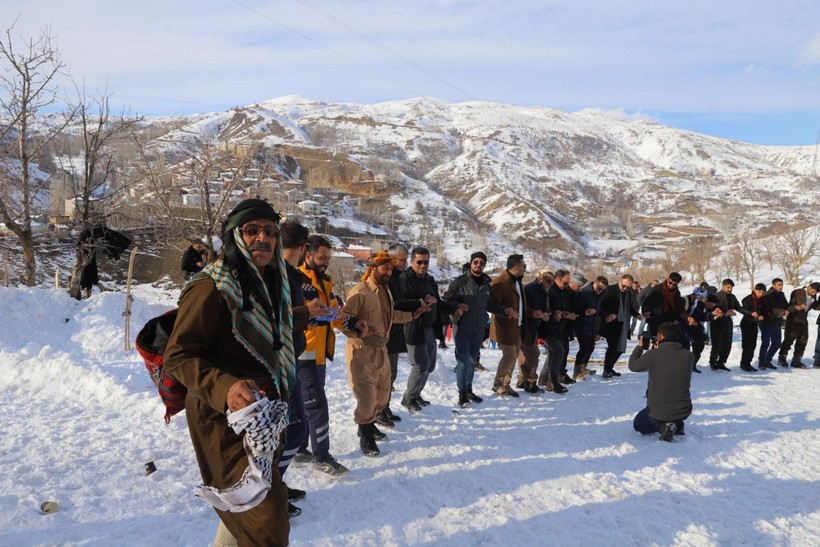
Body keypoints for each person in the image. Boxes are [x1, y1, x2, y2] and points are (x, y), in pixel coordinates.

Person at [164, 198, 298, 546]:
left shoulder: (271, 284)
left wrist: (307, 314)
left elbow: (269, 329)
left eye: (270, 231)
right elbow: (178, 355)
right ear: (235, 237)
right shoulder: (211, 287)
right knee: (266, 522)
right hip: (223, 420)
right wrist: (225, 387)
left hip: (265, 417)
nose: (263, 238)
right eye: (252, 230)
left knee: (251, 506)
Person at [341, 252, 429, 456]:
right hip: (361, 350)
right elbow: (343, 320)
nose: (389, 272)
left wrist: (413, 314)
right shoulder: (359, 292)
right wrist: (358, 327)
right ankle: (366, 435)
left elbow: (392, 317)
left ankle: (369, 423)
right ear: (372, 267)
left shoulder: (386, 291)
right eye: (385, 268)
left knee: (382, 394)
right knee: (367, 396)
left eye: (391, 269)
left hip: (382, 348)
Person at [277, 221, 333, 516]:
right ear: (304, 250)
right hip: (285, 363)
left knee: (294, 431)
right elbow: (272, 318)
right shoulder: (281, 275)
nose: (325, 262)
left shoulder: (292, 276)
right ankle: (267, 493)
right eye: (320, 256)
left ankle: (275, 486)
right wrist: (307, 313)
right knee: (293, 430)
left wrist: (314, 315)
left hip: (295, 357)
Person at [294, 235, 348, 476]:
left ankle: (299, 448)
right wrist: (322, 314)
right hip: (304, 354)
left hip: (318, 355)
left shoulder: (325, 281)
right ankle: (322, 457)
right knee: (317, 408)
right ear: (308, 255)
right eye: (322, 257)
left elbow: (334, 315)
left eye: (328, 258)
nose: (326, 262)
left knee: (307, 405)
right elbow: (304, 314)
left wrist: (342, 315)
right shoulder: (300, 279)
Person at [443, 251, 504, 406]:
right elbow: (447, 300)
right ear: (471, 263)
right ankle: (462, 394)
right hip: (462, 329)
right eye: (476, 262)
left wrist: (505, 311)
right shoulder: (460, 282)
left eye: (482, 263)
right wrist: (457, 305)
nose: (478, 265)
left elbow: (489, 305)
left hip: (478, 331)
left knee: (472, 363)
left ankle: (469, 390)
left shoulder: (486, 285)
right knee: (464, 363)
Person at [398, 247, 451, 411]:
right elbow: (400, 301)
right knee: (420, 365)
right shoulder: (404, 278)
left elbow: (439, 302)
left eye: (426, 262)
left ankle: (416, 394)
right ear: (412, 261)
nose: (422, 265)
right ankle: (408, 398)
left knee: (430, 366)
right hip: (413, 327)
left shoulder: (429, 279)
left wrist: (454, 308)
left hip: (429, 327)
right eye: (419, 262)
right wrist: (421, 301)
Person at [628, 322, 693, 442]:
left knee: (638, 424)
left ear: (659, 336)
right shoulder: (689, 356)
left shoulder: (654, 355)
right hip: (684, 410)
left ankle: (664, 426)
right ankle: (677, 423)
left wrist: (640, 347)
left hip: (659, 412)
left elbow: (633, 366)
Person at [490, 254, 544, 397]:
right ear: (516, 267)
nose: (525, 269)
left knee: (513, 357)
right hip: (504, 327)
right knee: (509, 356)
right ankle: (497, 384)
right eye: (524, 266)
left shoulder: (518, 282)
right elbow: (492, 305)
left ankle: (505, 384)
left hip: (517, 327)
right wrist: (506, 312)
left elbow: (521, 307)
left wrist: (533, 313)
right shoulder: (500, 282)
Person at [380, 243, 417, 426]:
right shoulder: (387, 278)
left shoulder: (398, 277)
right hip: (387, 332)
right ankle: (379, 410)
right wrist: (417, 304)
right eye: (402, 260)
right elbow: (395, 305)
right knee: (385, 376)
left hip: (394, 333)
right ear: (392, 259)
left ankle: (384, 407)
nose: (405, 263)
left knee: (391, 375)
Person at [518, 269, 566, 394]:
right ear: (540, 277)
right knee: (533, 355)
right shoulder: (530, 289)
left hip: (537, 326)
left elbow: (544, 309)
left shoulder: (545, 290)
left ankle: (527, 380)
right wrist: (535, 314)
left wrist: (549, 313)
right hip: (528, 327)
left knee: (529, 355)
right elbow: (523, 307)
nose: (549, 283)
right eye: (547, 280)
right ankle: (532, 382)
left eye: (551, 281)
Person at [599, 274, 640, 379]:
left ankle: (610, 367)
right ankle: (606, 370)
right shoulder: (610, 290)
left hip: (622, 324)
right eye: (624, 286)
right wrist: (607, 315)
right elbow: (600, 305)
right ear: (620, 281)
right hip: (610, 324)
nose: (625, 288)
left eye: (628, 287)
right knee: (613, 347)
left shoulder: (628, 293)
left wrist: (637, 315)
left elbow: (629, 307)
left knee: (620, 348)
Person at [709, 278, 754, 371]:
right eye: (728, 287)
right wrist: (726, 312)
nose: (730, 289)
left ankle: (721, 362)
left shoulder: (732, 297)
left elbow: (739, 308)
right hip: (717, 323)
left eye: (731, 288)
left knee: (727, 344)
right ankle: (712, 362)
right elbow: (712, 308)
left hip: (728, 323)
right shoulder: (716, 296)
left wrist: (750, 313)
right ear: (723, 286)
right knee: (717, 344)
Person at [777, 282, 820, 368]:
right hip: (794, 319)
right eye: (813, 291)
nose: (814, 293)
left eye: (816, 292)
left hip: (804, 319)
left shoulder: (813, 296)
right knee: (789, 338)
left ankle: (796, 361)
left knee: (803, 339)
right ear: (809, 286)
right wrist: (798, 307)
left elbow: (815, 306)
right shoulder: (797, 292)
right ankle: (782, 358)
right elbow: (789, 306)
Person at [572, 275, 607, 381]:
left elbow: (600, 309)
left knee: (591, 347)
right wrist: (585, 311)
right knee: (585, 347)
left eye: (603, 290)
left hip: (592, 325)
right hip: (581, 324)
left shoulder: (599, 294)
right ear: (595, 282)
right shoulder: (584, 293)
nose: (600, 291)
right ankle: (577, 371)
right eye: (599, 288)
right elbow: (575, 307)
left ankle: (583, 367)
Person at [684, 288, 718, 373]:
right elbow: (695, 315)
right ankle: (685, 365)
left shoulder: (704, 307)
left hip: (696, 328)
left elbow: (702, 317)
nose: (710, 307)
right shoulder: (697, 304)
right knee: (686, 347)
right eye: (710, 305)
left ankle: (693, 365)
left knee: (699, 346)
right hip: (687, 327)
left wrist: (713, 316)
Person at [758, 278, 788, 369]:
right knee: (766, 343)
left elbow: (786, 306)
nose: (781, 287)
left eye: (782, 285)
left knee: (777, 343)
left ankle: (768, 360)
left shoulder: (782, 295)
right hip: (766, 322)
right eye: (779, 285)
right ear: (773, 285)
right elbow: (767, 309)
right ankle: (761, 361)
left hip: (777, 323)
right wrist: (783, 311)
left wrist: (794, 308)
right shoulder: (767, 295)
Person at [739, 283, 769, 372]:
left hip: (754, 323)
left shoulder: (761, 300)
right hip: (747, 323)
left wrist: (762, 316)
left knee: (753, 345)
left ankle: (748, 363)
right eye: (760, 291)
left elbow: (763, 310)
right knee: (747, 345)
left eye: (763, 292)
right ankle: (744, 363)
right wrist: (754, 315)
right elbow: (744, 311)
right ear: (755, 289)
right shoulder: (747, 299)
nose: (761, 294)